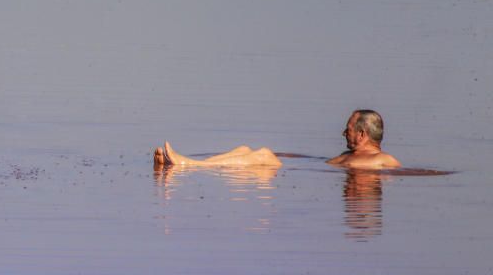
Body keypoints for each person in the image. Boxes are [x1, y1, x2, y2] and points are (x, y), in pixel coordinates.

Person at [154, 110, 401, 170]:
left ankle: (189, 165)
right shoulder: (350, 156)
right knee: (246, 149)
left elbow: (394, 170)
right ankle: (183, 164)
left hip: (292, 174)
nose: (343, 133)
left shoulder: (383, 160)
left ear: (361, 134)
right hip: (301, 169)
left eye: (347, 129)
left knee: (263, 155)